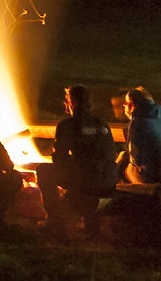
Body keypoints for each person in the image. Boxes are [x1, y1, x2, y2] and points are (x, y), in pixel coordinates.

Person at [35, 85, 119, 236]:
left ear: (72, 103)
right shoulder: (102, 124)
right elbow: (110, 153)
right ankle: (88, 222)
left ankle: (55, 222)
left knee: (44, 170)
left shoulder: (67, 125)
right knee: (83, 173)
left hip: (87, 180)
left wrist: (71, 165)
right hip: (108, 180)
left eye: (66, 100)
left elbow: (59, 158)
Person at [121, 88, 161, 185]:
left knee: (123, 162)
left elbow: (136, 159)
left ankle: (112, 193)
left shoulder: (137, 122)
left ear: (133, 104)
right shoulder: (157, 118)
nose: (123, 105)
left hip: (157, 178)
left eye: (126, 102)